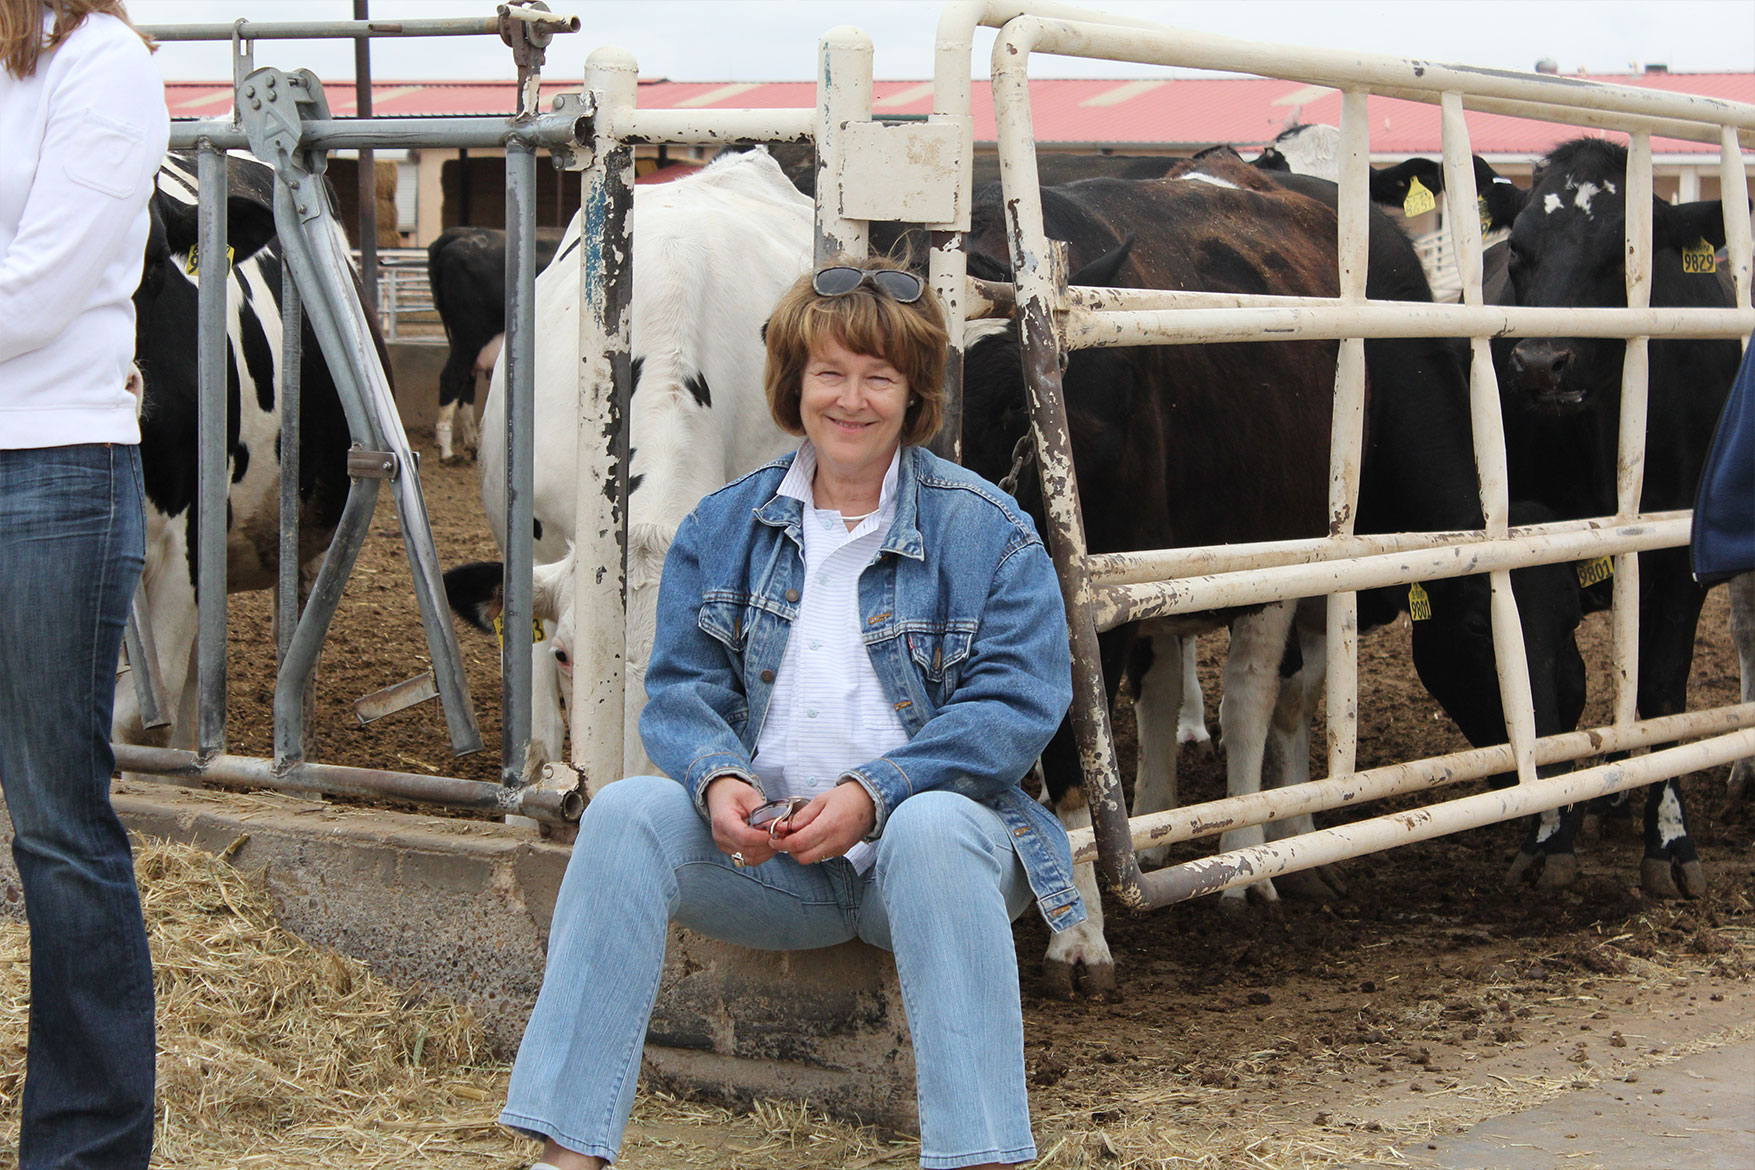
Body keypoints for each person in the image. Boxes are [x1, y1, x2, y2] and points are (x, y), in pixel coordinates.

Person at [500, 259, 1083, 1170]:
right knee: (622, 813)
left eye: (879, 377)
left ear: (915, 392)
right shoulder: (721, 527)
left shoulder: (990, 530)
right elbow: (683, 689)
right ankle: (568, 1152)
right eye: (830, 374)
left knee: (929, 824)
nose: (851, 400)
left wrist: (873, 792)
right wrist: (719, 776)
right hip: (777, 862)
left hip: (930, 865)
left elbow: (1016, 706)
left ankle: (980, 1158)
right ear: (792, 383)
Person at [0, 1, 168, 1166]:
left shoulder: (99, 60)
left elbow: (43, 286)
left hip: (48, 468)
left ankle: (88, 1144)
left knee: (55, 819)